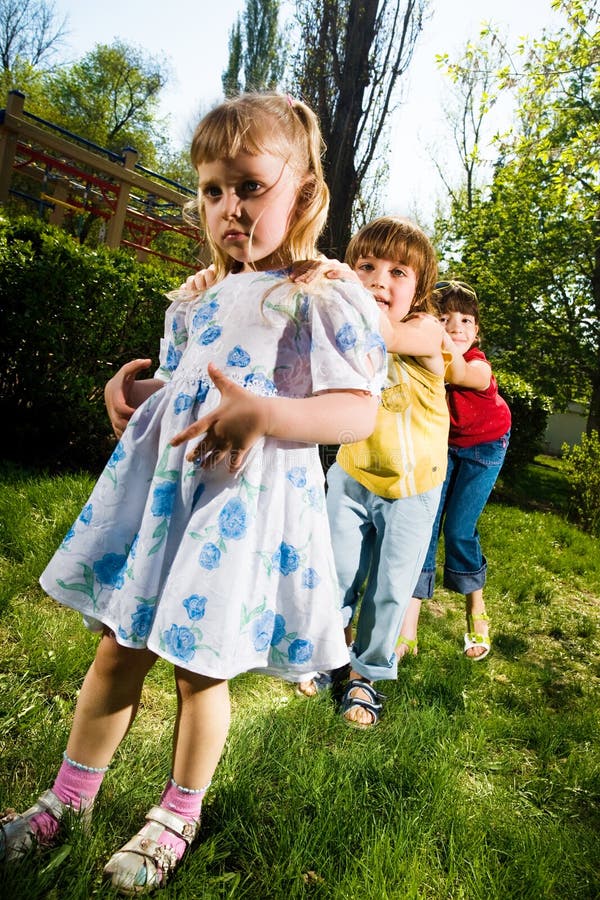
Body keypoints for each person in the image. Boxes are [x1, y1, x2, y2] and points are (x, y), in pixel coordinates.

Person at [0, 92, 385, 893]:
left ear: (305, 194)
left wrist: (265, 413)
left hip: (237, 510)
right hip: (168, 504)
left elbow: (357, 407)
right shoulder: (198, 294)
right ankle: (65, 801)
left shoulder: (320, 290)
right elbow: (183, 388)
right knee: (119, 646)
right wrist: (131, 394)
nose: (228, 207)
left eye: (249, 186)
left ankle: (177, 813)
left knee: (196, 667)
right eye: (212, 189)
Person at [290, 217, 467, 726]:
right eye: (366, 266)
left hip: (414, 487)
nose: (378, 280)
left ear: (421, 289)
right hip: (352, 476)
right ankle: (329, 654)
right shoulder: (347, 327)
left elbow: (382, 331)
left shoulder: (426, 330)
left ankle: (366, 675)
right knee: (337, 571)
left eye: (397, 272)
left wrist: (338, 280)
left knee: (390, 586)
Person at [398, 279, 511, 662]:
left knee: (459, 529)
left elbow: (458, 373)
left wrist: (431, 335)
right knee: (424, 528)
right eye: (444, 318)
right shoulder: (425, 363)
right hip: (443, 448)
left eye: (465, 320)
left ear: (476, 330)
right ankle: (407, 629)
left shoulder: (479, 366)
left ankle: (476, 613)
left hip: (486, 447)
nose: (456, 327)